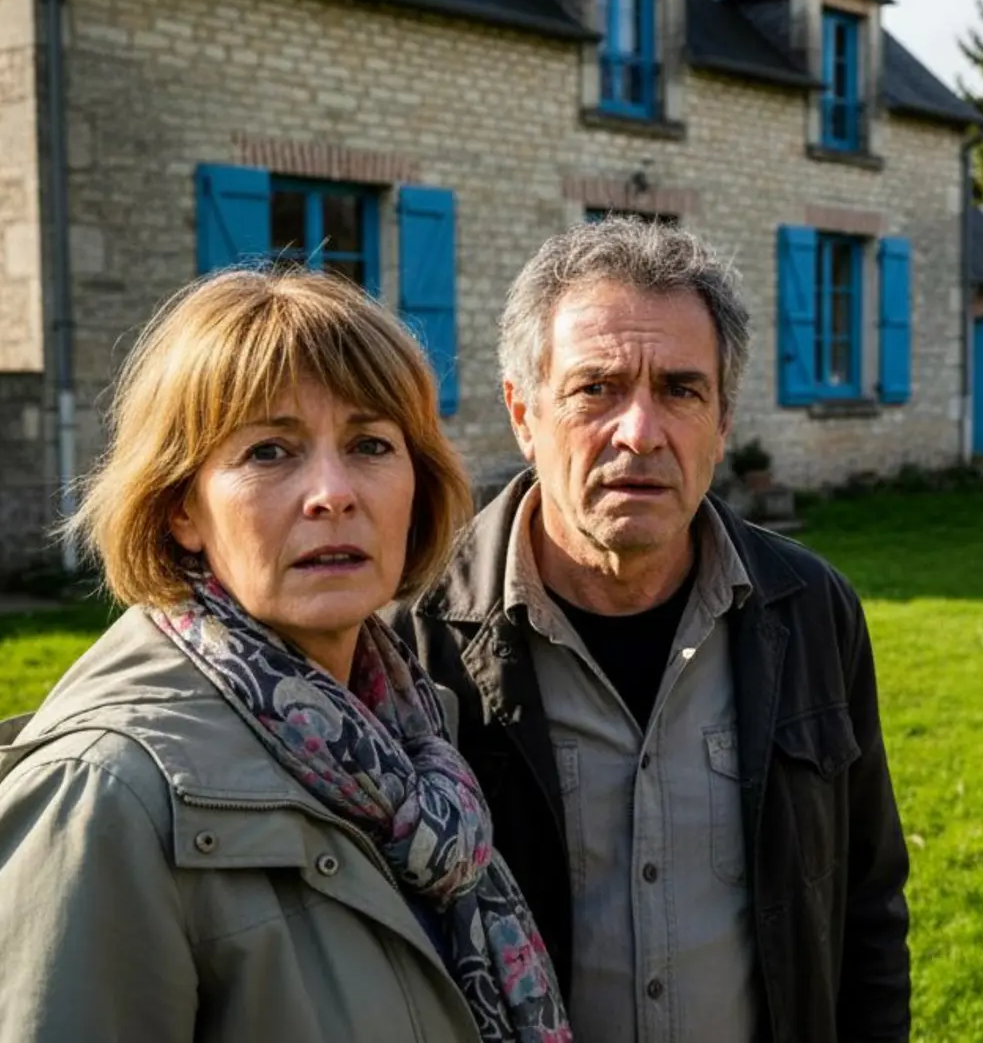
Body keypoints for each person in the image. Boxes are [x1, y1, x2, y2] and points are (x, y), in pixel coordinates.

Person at [0, 268, 570, 1043]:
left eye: (370, 443)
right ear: (180, 508)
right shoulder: (99, 797)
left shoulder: (411, 733)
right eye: (270, 450)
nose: (333, 493)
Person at [388, 216, 911, 1043]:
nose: (640, 431)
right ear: (524, 413)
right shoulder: (411, 637)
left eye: (680, 388)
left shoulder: (812, 610)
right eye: (595, 388)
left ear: (723, 420)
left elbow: (868, 906)